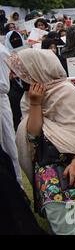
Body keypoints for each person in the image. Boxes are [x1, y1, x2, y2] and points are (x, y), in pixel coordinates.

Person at [7, 49, 75, 235]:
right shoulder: (27, 99)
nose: (18, 77)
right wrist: (36, 104)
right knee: (53, 189)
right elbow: (32, 136)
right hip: (50, 159)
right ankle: (70, 230)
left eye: (23, 72)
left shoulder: (66, 90)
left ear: (37, 70)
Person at [0, 43, 22, 185]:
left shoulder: (1, 52)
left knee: (7, 146)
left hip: (1, 104)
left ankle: (16, 185)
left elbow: (3, 85)